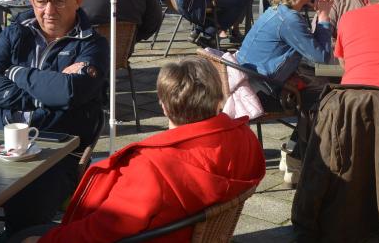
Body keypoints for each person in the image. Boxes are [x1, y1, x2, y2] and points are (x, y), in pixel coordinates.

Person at [21, 57, 265, 243]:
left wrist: (49, 239)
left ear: (162, 105)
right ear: (218, 99)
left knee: (24, 235)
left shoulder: (151, 166)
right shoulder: (245, 138)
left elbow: (104, 229)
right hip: (190, 234)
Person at [0, 0, 109, 241]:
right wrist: (42, 95)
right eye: (41, 1)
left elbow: (70, 92)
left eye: (59, 1)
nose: (49, 10)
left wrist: (15, 73)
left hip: (51, 156)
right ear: (31, 0)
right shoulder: (15, 33)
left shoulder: (93, 46)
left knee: (25, 211)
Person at [235, 0, 334, 185]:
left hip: (253, 81)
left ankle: (293, 151)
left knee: (317, 85)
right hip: (261, 93)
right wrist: (325, 17)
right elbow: (322, 57)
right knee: (325, 96)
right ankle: (296, 158)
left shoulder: (278, 11)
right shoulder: (289, 19)